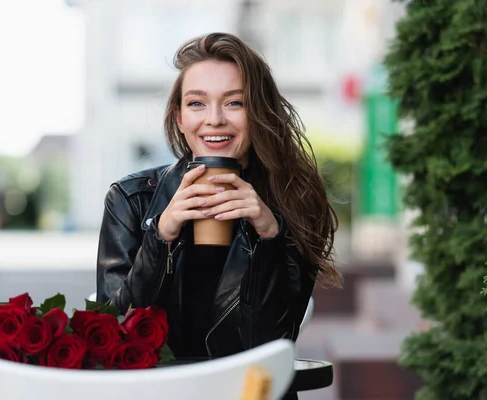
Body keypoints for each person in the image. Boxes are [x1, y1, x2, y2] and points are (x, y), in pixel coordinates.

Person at [96, 32, 342, 364]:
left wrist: (270, 237)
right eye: (197, 103)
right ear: (179, 118)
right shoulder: (131, 199)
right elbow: (110, 333)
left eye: (234, 102)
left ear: (258, 114)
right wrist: (160, 234)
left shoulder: (290, 198)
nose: (214, 119)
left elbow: (273, 342)